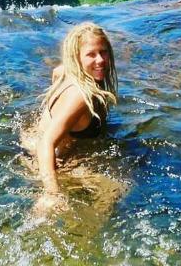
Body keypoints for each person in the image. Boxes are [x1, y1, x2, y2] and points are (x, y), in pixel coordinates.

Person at [31, 22, 118, 214]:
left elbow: (56, 72)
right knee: (115, 190)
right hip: (48, 160)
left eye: (103, 52)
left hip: (32, 143)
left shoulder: (66, 71)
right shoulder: (80, 97)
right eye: (91, 54)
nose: (100, 60)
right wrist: (51, 192)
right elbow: (46, 142)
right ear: (77, 58)